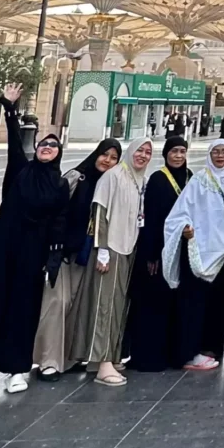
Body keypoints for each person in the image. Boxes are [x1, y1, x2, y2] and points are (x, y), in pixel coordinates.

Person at [0, 84, 70, 400]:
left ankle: (16, 369)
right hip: (2, 247)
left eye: (52, 146)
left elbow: (59, 221)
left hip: (31, 252)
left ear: (58, 153)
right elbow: (14, 140)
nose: (46, 148)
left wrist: (52, 256)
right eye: (43, 144)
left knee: (22, 308)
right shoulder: (20, 171)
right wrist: (10, 108)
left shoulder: (59, 184)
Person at [33, 138, 122, 381]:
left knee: (75, 304)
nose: (108, 161)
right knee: (57, 303)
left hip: (86, 254)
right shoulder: (77, 177)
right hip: (62, 252)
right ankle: (48, 361)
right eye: (105, 155)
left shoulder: (111, 184)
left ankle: (69, 358)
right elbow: (55, 212)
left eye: (114, 158)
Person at [70, 136, 154, 387]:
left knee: (117, 305)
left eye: (148, 152)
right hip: (110, 248)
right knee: (104, 306)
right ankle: (103, 363)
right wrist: (103, 250)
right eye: (140, 150)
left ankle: (108, 357)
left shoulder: (139, 180)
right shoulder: (113, 176)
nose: (143, 155)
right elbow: (100, 213)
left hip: (128, 248)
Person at [161, 139, 224, 371]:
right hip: (200, 251)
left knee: (217, 304)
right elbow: (180, 212)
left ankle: (211, 348)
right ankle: (189, 353)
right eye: (216, 152)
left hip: (223, 252)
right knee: (194, 305)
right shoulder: (199, 180)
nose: (220, 156)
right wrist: (185, 229)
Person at [128, 136, 190, 372]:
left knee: (174, 305)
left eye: (182, 152)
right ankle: (148, 357)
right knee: (153, 305)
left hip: (181, 250)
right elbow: (151, 219)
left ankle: (172, 353)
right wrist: (152, 254)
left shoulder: (189, 177)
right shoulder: (157, 179)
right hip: (159, 251)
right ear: (165, 154)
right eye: (174, 151)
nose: (178, 156)